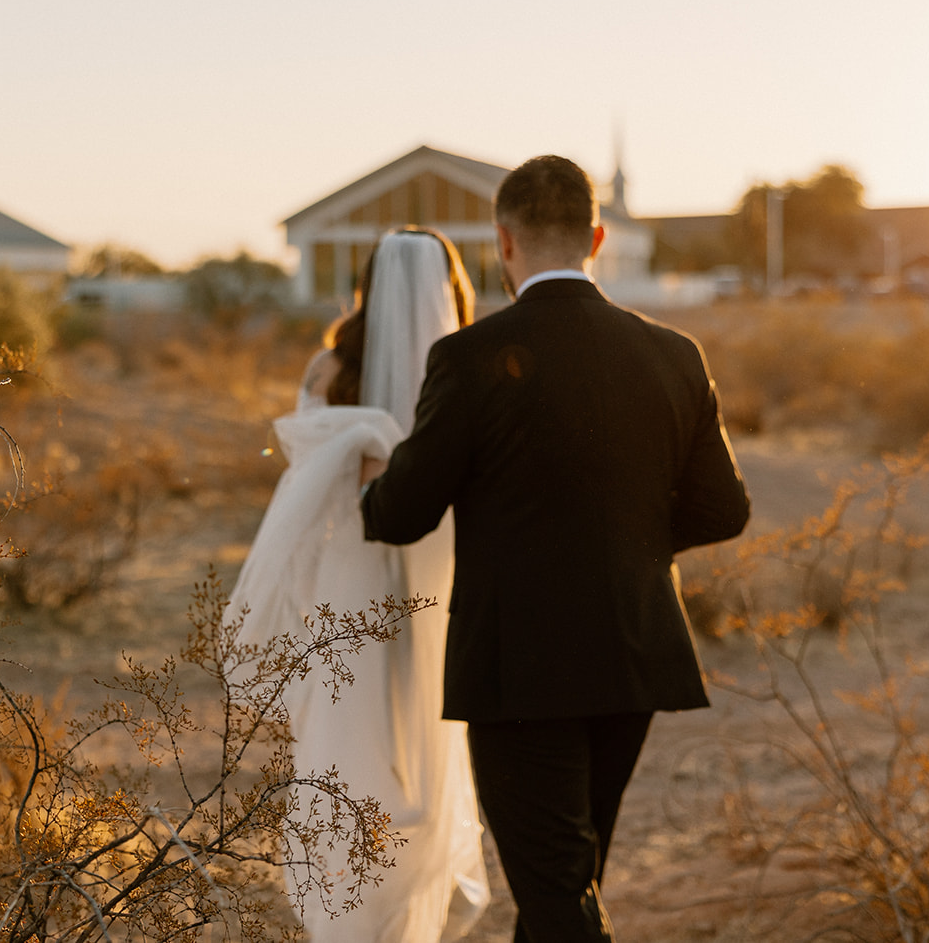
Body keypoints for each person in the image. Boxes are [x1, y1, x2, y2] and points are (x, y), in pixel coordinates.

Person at [360, 156, 750, 941]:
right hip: (633, 655)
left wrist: (372, 477)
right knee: (567, 882)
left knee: (556, 893)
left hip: (520, 668)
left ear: (503, 241)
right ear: (598, 237)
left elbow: (401, 515)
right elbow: (724, 508)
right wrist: (620, 538)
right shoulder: (675, 353)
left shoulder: (469, 358)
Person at [224, 228, 490, 942]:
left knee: (348, 728)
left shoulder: (330, 367)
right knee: (426, 727)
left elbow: (305, 469)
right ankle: (405, 912)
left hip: (350, 572)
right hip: (437, 561)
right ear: (451, 286)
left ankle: (347, 911)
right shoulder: (468, 363)